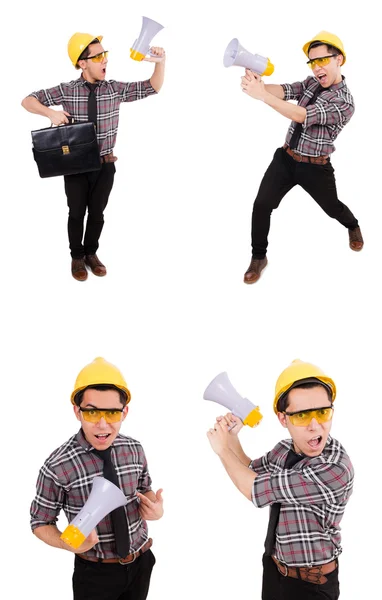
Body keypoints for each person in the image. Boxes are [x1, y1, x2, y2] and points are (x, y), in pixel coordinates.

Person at [22, 33, 165, 281]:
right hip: (75, 167)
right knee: (76, 212)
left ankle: (91, 253)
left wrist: (160, 63)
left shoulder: (114, 89)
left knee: (97, 213)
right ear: (82, 63)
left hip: (105, 165)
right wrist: (50, 114)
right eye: (97, 56)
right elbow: (27, 101)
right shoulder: (66, 90)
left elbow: (152, 87)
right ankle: (76, 256)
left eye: (105, 55)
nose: (104, 60)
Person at [207, 359, 354, 600]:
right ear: (283, 418)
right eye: (302, 416)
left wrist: (222, 450)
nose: (315, 425)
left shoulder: (334, 468)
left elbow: (254, 490)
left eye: (323, 412)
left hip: (312, 586)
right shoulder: (284, 449)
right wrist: (232, 439)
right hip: (275, 571)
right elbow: (249, 470)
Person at [30, 357, 164, 600]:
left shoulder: (134, 448)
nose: (103, 424)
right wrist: (65, 542)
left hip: (141, 562)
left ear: (125, 412)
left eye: (112, 412)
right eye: (91, 412)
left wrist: (155, 507)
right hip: (94, 574)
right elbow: (39, 522)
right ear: (76, 411)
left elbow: (145, 488)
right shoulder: (57, 465)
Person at [240, 31, 363, 284]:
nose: (317, 67)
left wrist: (261, 95)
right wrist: (259, 85)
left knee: (333, 208)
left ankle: (353, 225)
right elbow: (285, 91)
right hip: (285, 159)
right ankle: (258, 257)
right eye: (313, 62)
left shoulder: (344, 102)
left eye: (322, 61)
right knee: (261, 205)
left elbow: (301, 115)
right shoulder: (311, 82)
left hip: (315, 168)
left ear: (339, 59)